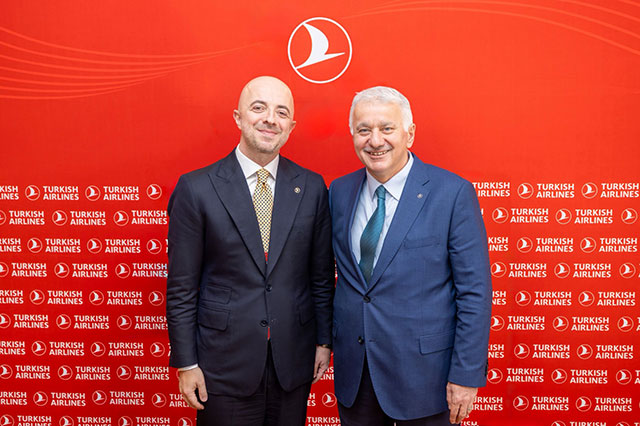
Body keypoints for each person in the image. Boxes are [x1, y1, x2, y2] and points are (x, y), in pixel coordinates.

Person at [166, 76, 334, 426]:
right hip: (222, 365)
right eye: (259, 108)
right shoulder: (197, 188)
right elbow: (182, 287)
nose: (270, 119)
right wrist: (186, 363)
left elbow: (320, 277)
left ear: (291, 126)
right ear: (238, 117)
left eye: (281, 112)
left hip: (293, 361)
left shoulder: (312, 187)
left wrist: (323, 341)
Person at [329, 86, 492, 425]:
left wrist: (466, 374)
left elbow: (474, 292)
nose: (375, 140)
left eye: (387, 128)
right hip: (356, 376)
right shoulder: (339, 192)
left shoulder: (452, 193)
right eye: (364, 130)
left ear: (410, 133)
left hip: (426, 379)